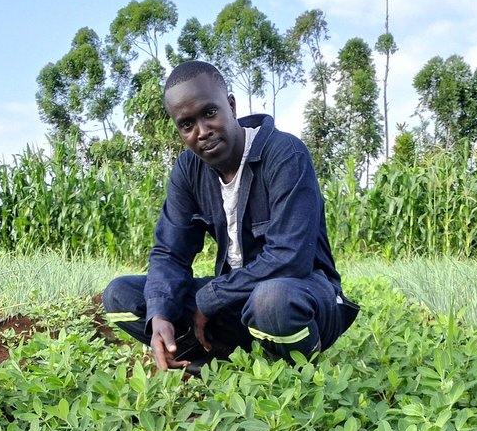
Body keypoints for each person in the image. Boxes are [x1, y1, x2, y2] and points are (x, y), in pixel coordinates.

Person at [102, 60, 358, 371]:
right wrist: (160, 315)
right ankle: (206, 363)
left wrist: (210, 297)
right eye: (187, 124)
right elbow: (170, 253)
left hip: (302, 295)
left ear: (231, 105)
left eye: (210, 113)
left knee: (271, 300)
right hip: (234, 302)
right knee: (122, 295)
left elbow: (290, 258)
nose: (202, 131)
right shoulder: (188, 170)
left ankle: (297, 360)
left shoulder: (285, 154)